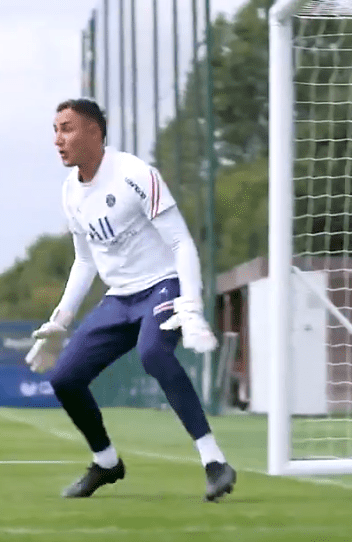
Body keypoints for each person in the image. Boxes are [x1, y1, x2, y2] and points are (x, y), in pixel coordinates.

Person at [24, 98, 237, 502]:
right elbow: (85, 261)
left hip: (163, 285)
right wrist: (60, 321)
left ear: (94, 132)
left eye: (66, 129)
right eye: (55, 130)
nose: (57, 140)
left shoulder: (135, 174)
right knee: (64, 378)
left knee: (153, 353)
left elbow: (181, 242)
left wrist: (191, 304)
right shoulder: (70, 191)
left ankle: (215, 462)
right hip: (120, 298)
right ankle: (106, 463)